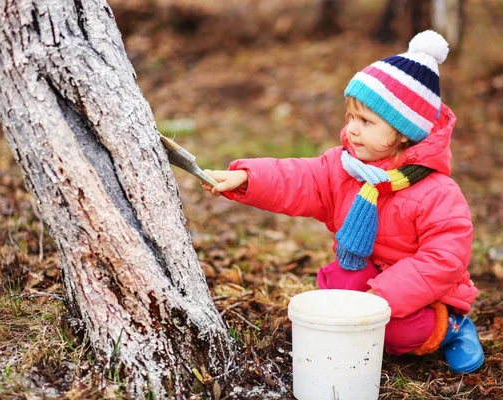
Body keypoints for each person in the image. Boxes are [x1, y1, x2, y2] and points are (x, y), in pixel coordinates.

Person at [201, 30, 484, 374]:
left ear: (403, 133)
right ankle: (364, 334)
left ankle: (451, 331)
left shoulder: (436, 192)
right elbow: (299, 179)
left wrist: (381, 298)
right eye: (351, 117)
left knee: (398, 330)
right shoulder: (345, 168)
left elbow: (444, 260)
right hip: (369, 278)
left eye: (366, 121)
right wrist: (247, 178)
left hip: (423, 296)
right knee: (338, 285)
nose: (352, 129)